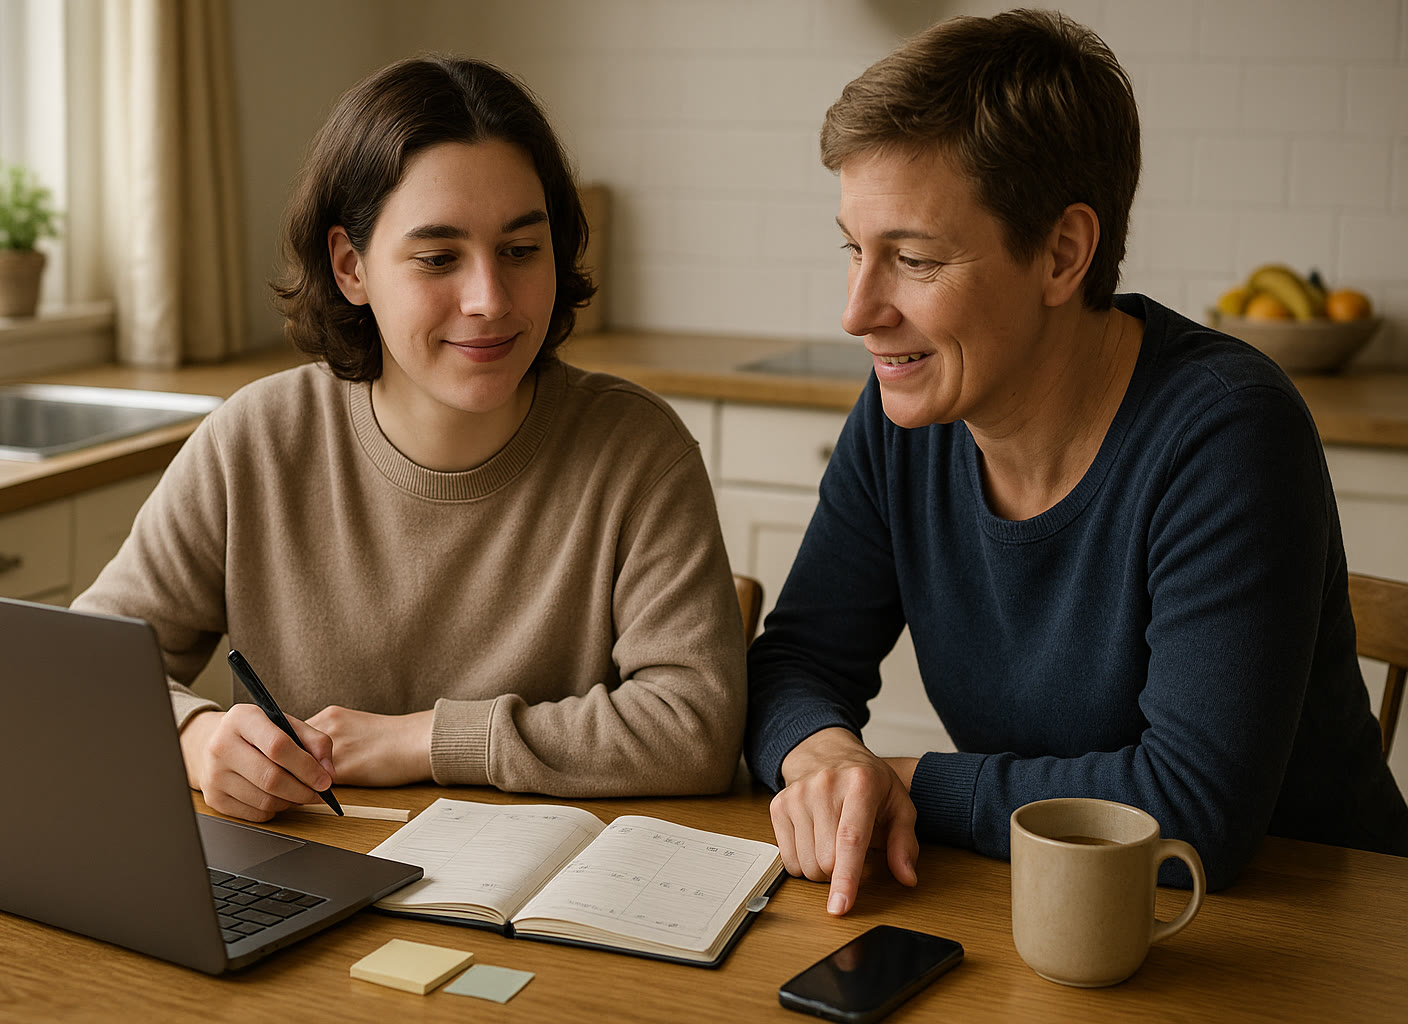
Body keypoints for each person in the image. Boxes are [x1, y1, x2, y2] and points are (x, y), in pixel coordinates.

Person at [744, 9, 1408, 915]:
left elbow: (1189, 809)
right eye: (855, 249)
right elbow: (796, 663)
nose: (858, 311)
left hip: (1310, 934)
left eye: (914, 259)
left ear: (1063, 254)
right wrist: (826, 759)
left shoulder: (1227, 431)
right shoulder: (906, 415)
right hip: (1060, 911)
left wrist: (906, 782)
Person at [75, 56, 746, 822]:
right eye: (438, 259)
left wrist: (426, 741)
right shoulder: (255, 441)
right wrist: (195, 740)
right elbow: (80, 667)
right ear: (351, 266)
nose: (489, 299)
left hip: (545, 915)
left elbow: (697, 727)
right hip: (307, 885)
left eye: (522, 251)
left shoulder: (639, 453)